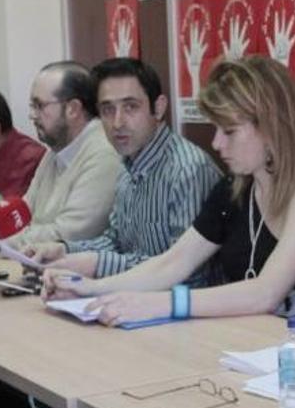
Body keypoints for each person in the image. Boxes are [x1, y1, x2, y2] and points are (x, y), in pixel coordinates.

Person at [42, 56, 295, 325]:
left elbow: (265, 293)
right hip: (252, 345)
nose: (217, 144)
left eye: (229, 131)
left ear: (273, 127)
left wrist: (162, 303)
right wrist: (91, 288)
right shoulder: (236, 187)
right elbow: (173, 262)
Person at [24, 58, 219, 283]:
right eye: (107, 110)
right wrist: (65, 249)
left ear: (159, 107)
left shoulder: (187, 171)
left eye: (130, 107)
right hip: (134, 300)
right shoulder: (127, 164)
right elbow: (115, 240)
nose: (117, 122)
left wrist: (97, 264)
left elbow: (187, 274)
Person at [4, 61, 122, 248]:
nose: (32, 115)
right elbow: (23, 212)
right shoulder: (56, 150)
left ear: (73, 109)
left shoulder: (104, 154)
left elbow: (69, 234)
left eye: (39, 106)